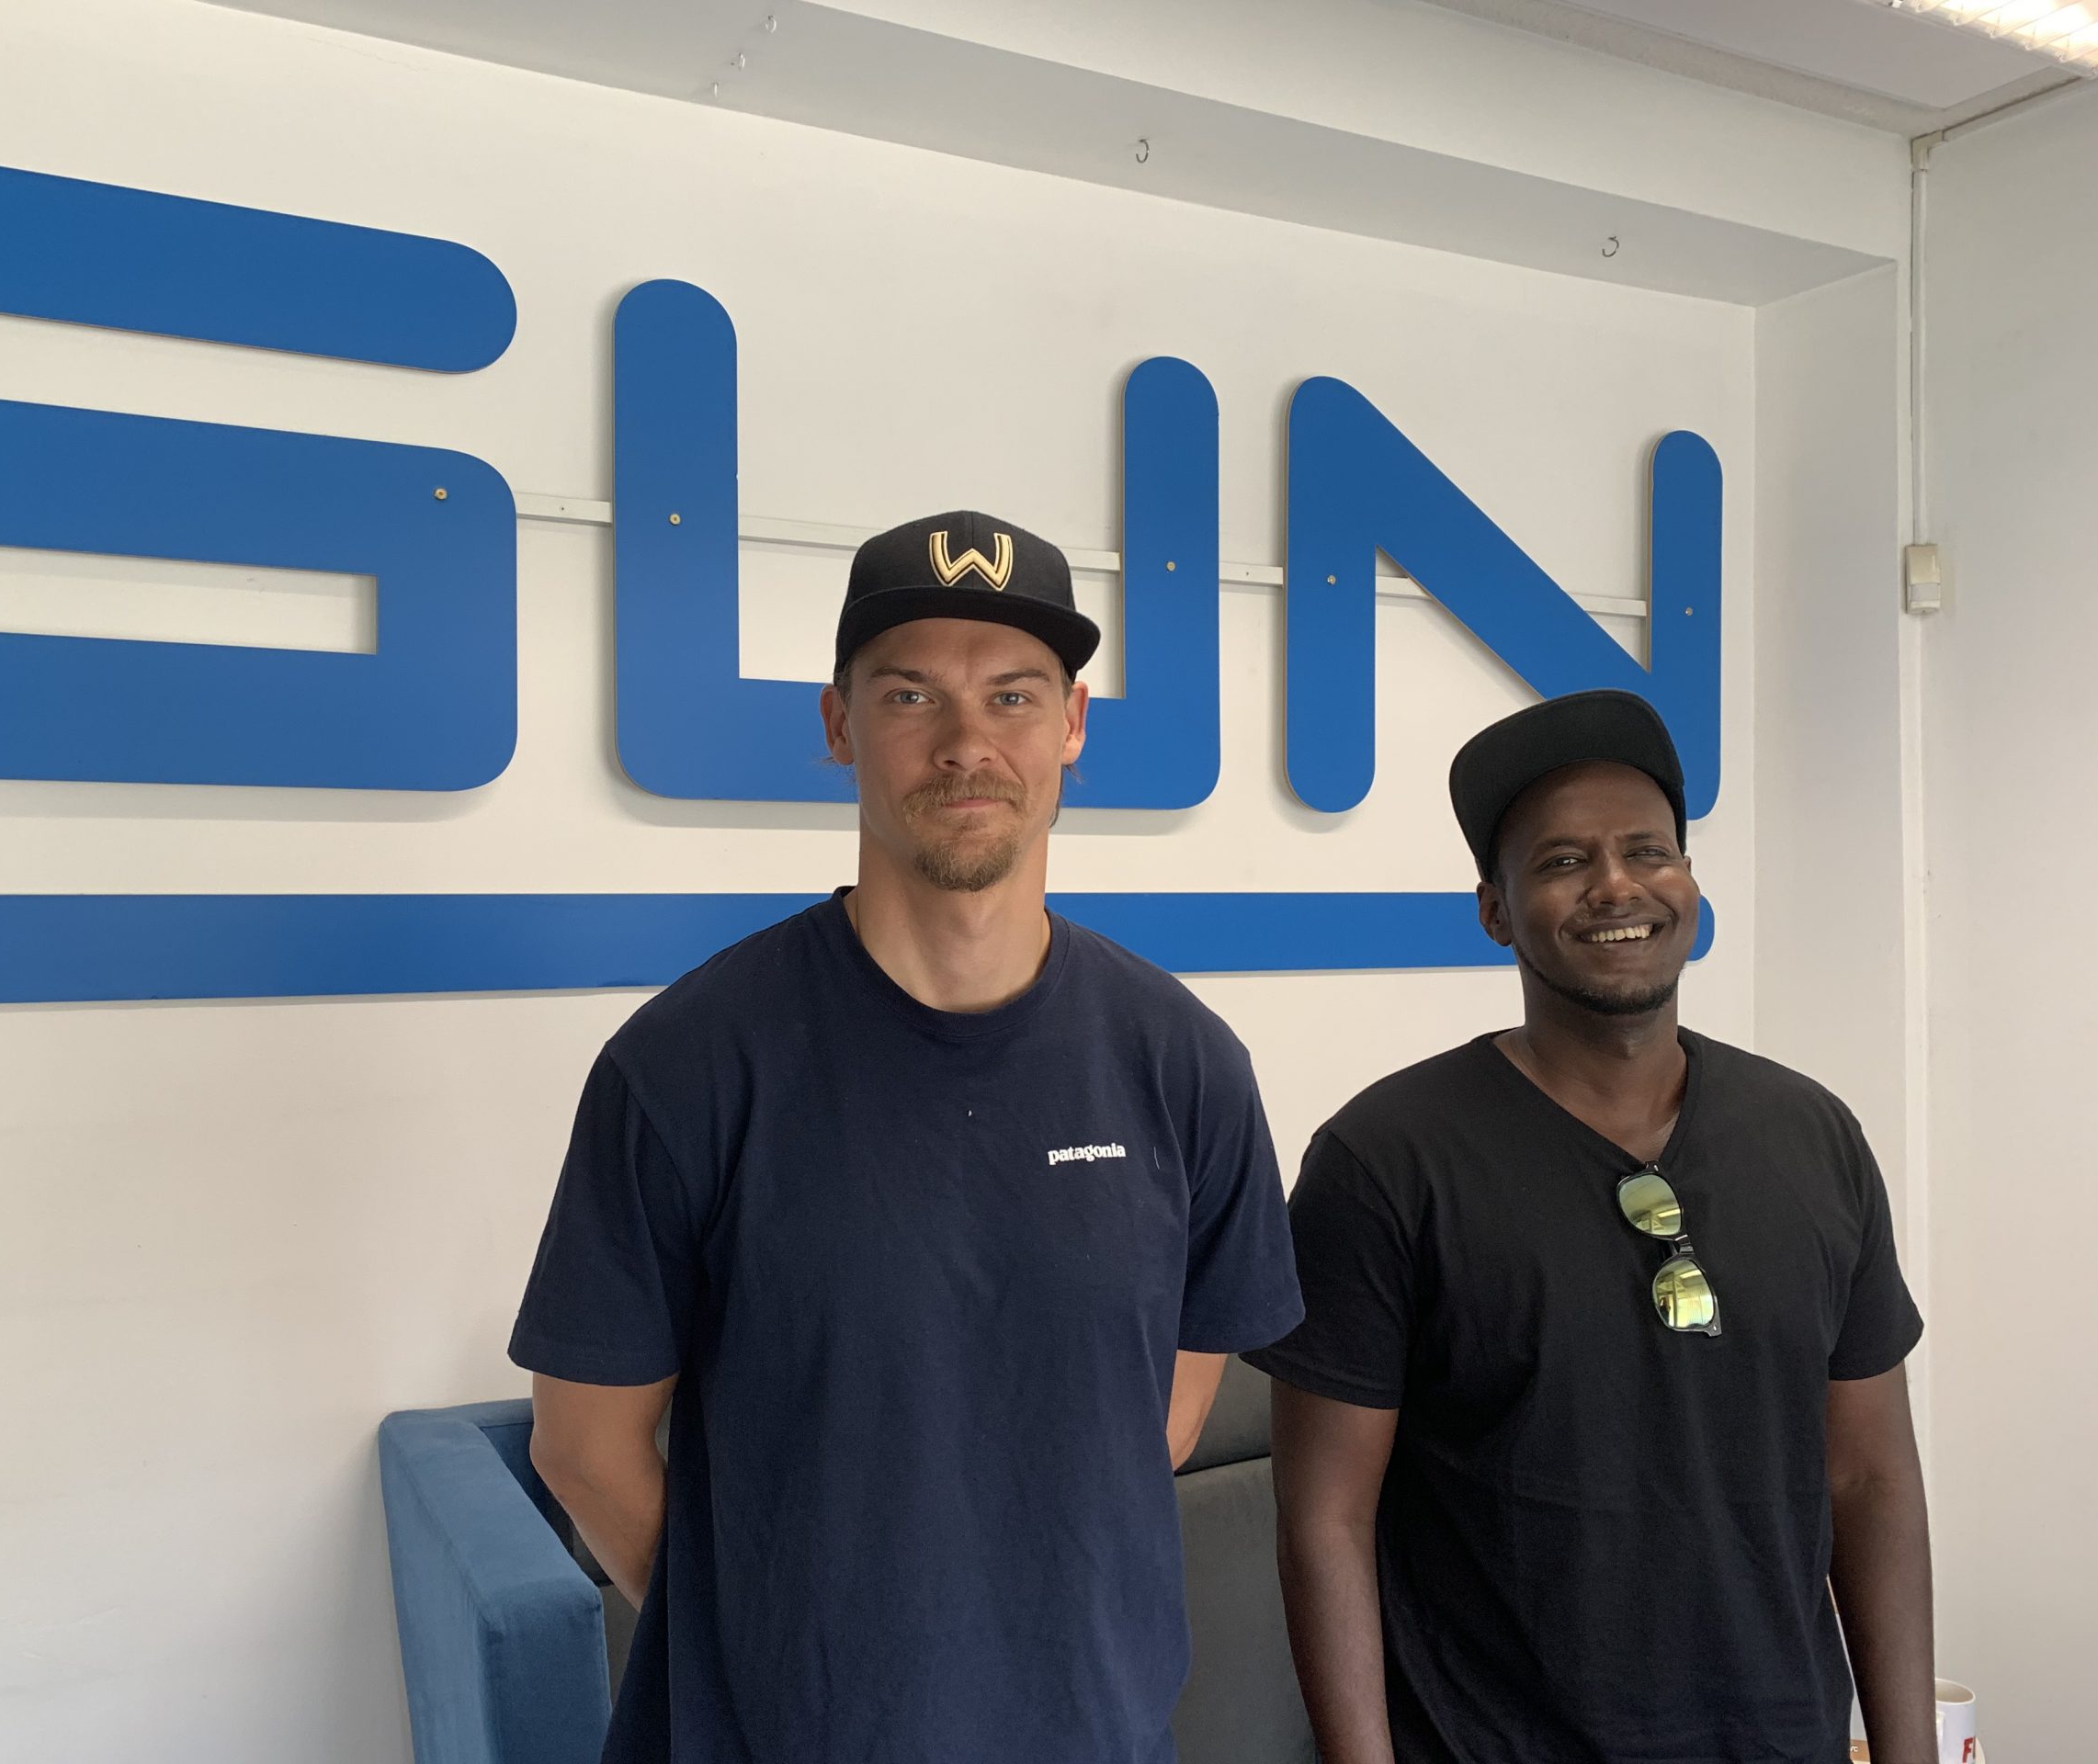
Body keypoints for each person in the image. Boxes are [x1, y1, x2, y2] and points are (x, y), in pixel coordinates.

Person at [509, 510, 1304, 1764]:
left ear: (1073, 725)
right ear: (839, 724)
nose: (966, 743)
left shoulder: (1183, 1062)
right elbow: (583, 1448)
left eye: (1012, 697)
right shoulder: (688, 1064)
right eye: (910, 694)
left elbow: (1160, 1413)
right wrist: (767, 1654)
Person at [1249, 689, 1934, 1764]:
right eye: (1564, 861)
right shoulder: (1386, 1160)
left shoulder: (1812, 1135)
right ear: (1495, 910)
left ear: (1689, 882)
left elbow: (1869, 1479)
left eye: (1647, 851)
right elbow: (1324, 1521)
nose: (1616, 885)